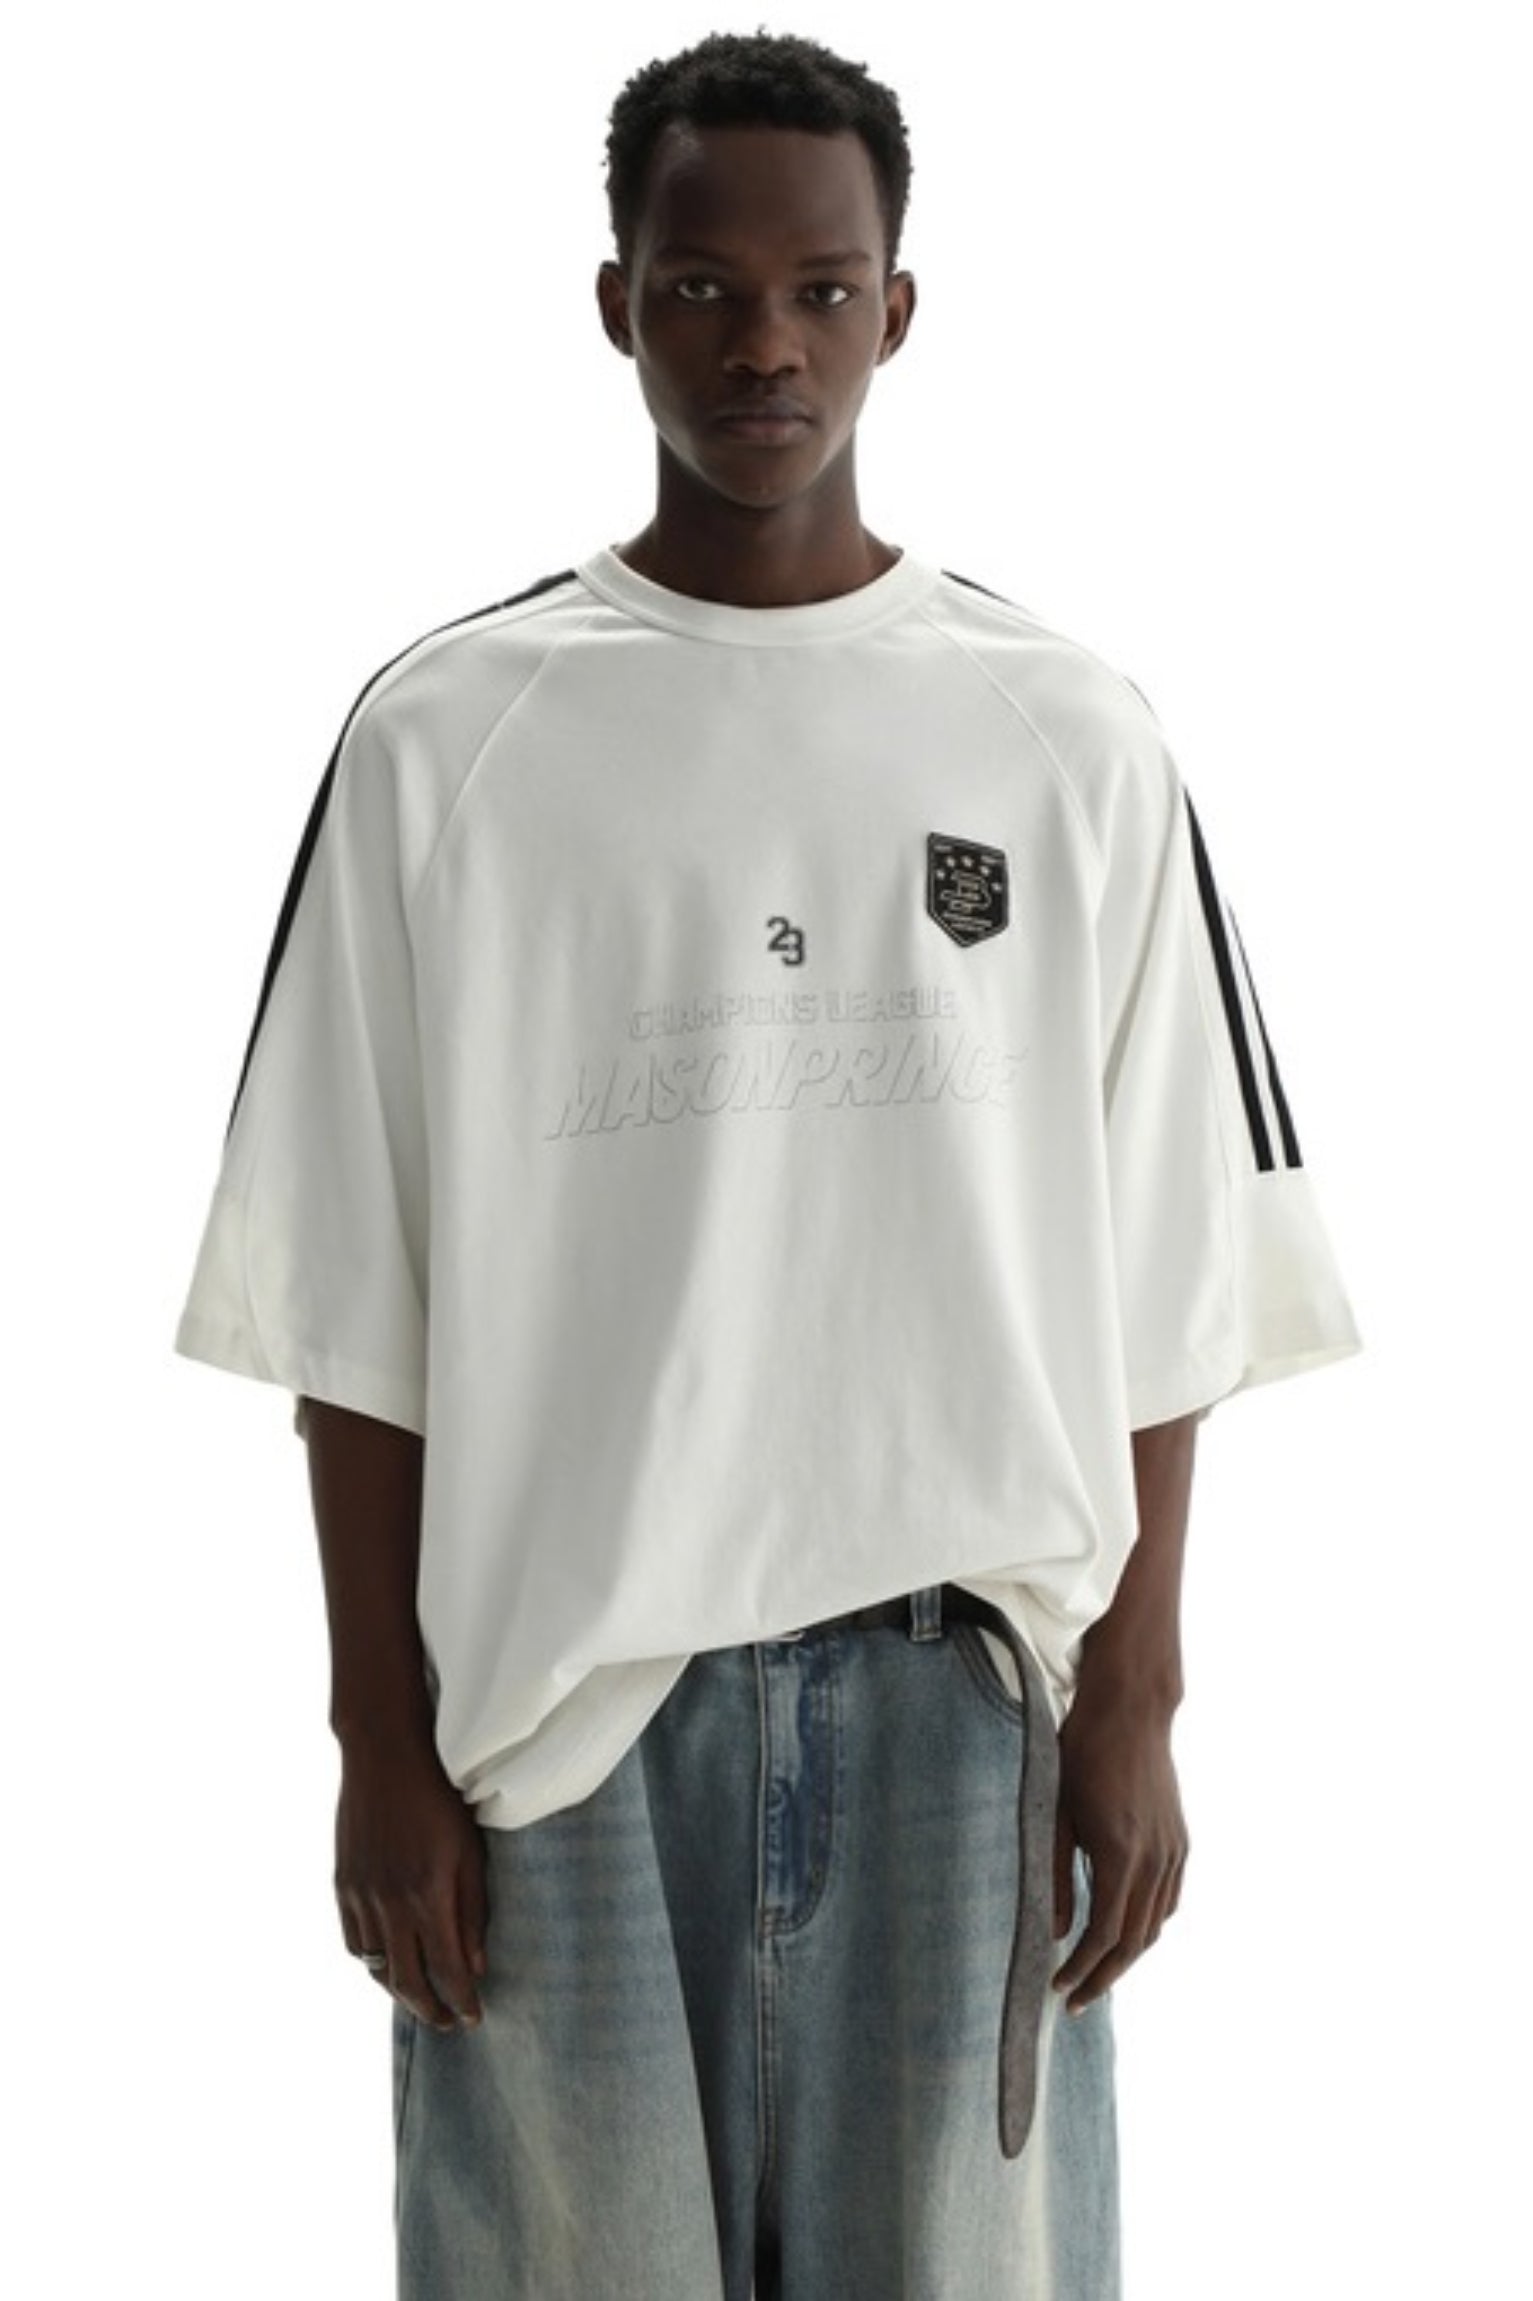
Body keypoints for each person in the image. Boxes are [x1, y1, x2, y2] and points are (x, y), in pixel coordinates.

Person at [175, 30, 1360, 2300]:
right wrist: (373, 1745)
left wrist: (1133, 1704)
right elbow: (351, 1305)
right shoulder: (448, 741)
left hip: (960, 1712)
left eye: (819, 291)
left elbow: (1172, 1273)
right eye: (702, 289)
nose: (764, 347)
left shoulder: (1068, 738)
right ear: (612, 304)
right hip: (561, 1732)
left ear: (895, 311)